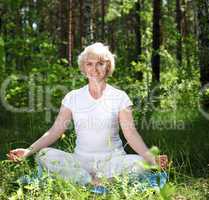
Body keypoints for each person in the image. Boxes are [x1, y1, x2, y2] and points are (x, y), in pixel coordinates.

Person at [7, 42, 168, 187]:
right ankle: (92, 181)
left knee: (141, 164)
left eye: (100, 63)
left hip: (113, 161)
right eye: (89, 64)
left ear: (108, 66)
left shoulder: (120, 97)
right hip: (80, 162)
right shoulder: (72, 97)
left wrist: (151, 158)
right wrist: (28, 151)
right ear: (83, 68)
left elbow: (131, 134)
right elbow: (55, 131)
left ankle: (87, 182)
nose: (94, 69)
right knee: (43, 154)